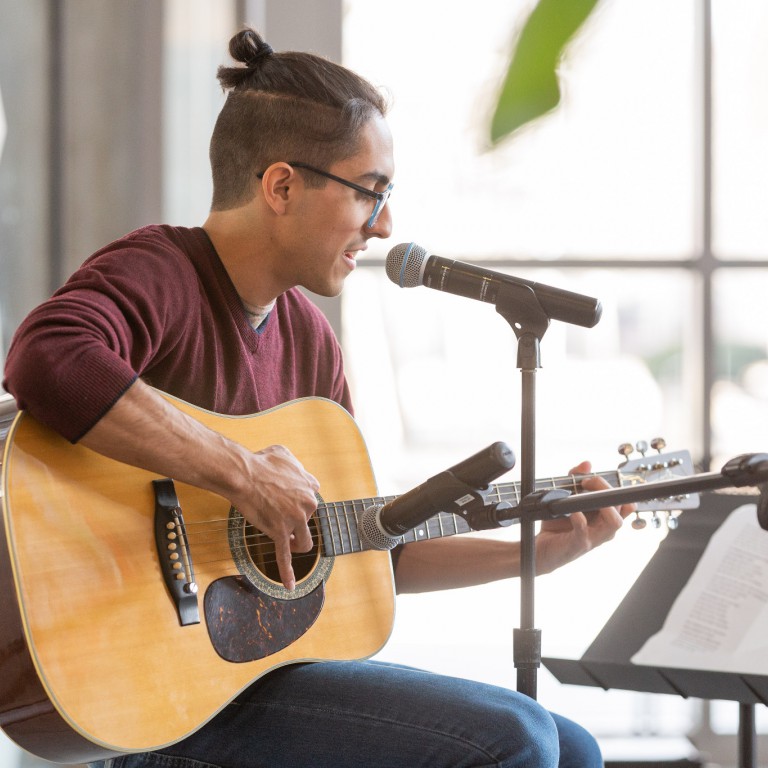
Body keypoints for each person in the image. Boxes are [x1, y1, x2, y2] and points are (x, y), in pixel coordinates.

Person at [3, 27, 633, 768]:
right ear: (281, 186)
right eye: (372, 191)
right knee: (516, 739)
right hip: (153, 704)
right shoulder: (160, 270)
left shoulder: (310, 340)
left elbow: (356, 548)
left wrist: (532, 554)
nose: (387, 224)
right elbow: (47, 357)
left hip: (254, 682)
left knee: (573, 746)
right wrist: (240, 474)